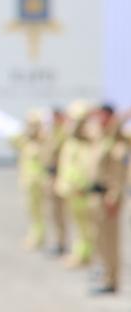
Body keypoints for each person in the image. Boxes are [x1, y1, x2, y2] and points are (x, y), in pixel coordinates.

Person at [88, 104, 128, 294]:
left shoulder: (118, 143)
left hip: (110, 197)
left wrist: (114, 197)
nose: (100, 120)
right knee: (100, 239)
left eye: (104, 117)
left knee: (111, 242)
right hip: (97, 196)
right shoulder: (101, 139)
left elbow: (120, 177)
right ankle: (105, 273)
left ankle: (112, 281)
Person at [54, 100, 95, 268]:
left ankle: (86, 255)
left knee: (87, 227)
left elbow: (86, 169)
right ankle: (81, 253)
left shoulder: (88, 144)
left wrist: (81, 186)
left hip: (82, 191)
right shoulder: (71, 141)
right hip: (72, 190)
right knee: (79, 225)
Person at [10, 110, 47, 250]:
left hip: (39, 182)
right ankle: (34, 235)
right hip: (28, 181)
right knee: (31, 210)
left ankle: (39, 236)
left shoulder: (43, 141)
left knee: (39, 211)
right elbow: (13, 141)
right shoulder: (26, 141)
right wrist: (26, 132)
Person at [41, 107, 69, 256]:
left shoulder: (63, 133)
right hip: (51, 177)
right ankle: (59, 242)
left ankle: (63, 243)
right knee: (54, 214)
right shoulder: (51, 133)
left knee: (62, 214)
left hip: (60, 177)